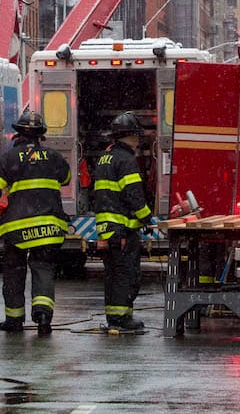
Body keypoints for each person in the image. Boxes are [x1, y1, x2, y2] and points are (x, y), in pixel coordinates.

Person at [0, 110, 70, 336]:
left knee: (14, 271)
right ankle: (43, 317)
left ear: (18, 134)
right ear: (41, 135)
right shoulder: (53, 157)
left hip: (17, 228)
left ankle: (14, 320)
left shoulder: (9, 159)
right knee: (43, 268)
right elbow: (67, 177)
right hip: (49, 227)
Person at [94, 112, 153, 331]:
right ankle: (121, 318)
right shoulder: (126, 160)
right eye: (136, 136)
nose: (138, 141)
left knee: (113, 274)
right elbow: (134, 195)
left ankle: (115, 317)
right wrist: (146, 218)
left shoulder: (105, 158)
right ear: (129, 136)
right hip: (122, 230)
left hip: (107, 228)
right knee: (126, 275)